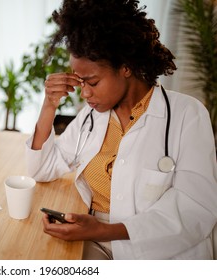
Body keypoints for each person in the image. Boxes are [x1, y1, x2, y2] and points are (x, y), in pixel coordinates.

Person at [25, 0, 217, 259]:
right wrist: (49, 105)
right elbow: (42, 168)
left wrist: (106, 231)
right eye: (81, 82)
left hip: (163, 255)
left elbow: (197, 210)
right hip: (95, 241)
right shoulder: (93, 115)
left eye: (92, 81)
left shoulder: (187, 115)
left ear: (126, 67)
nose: (84, 93)